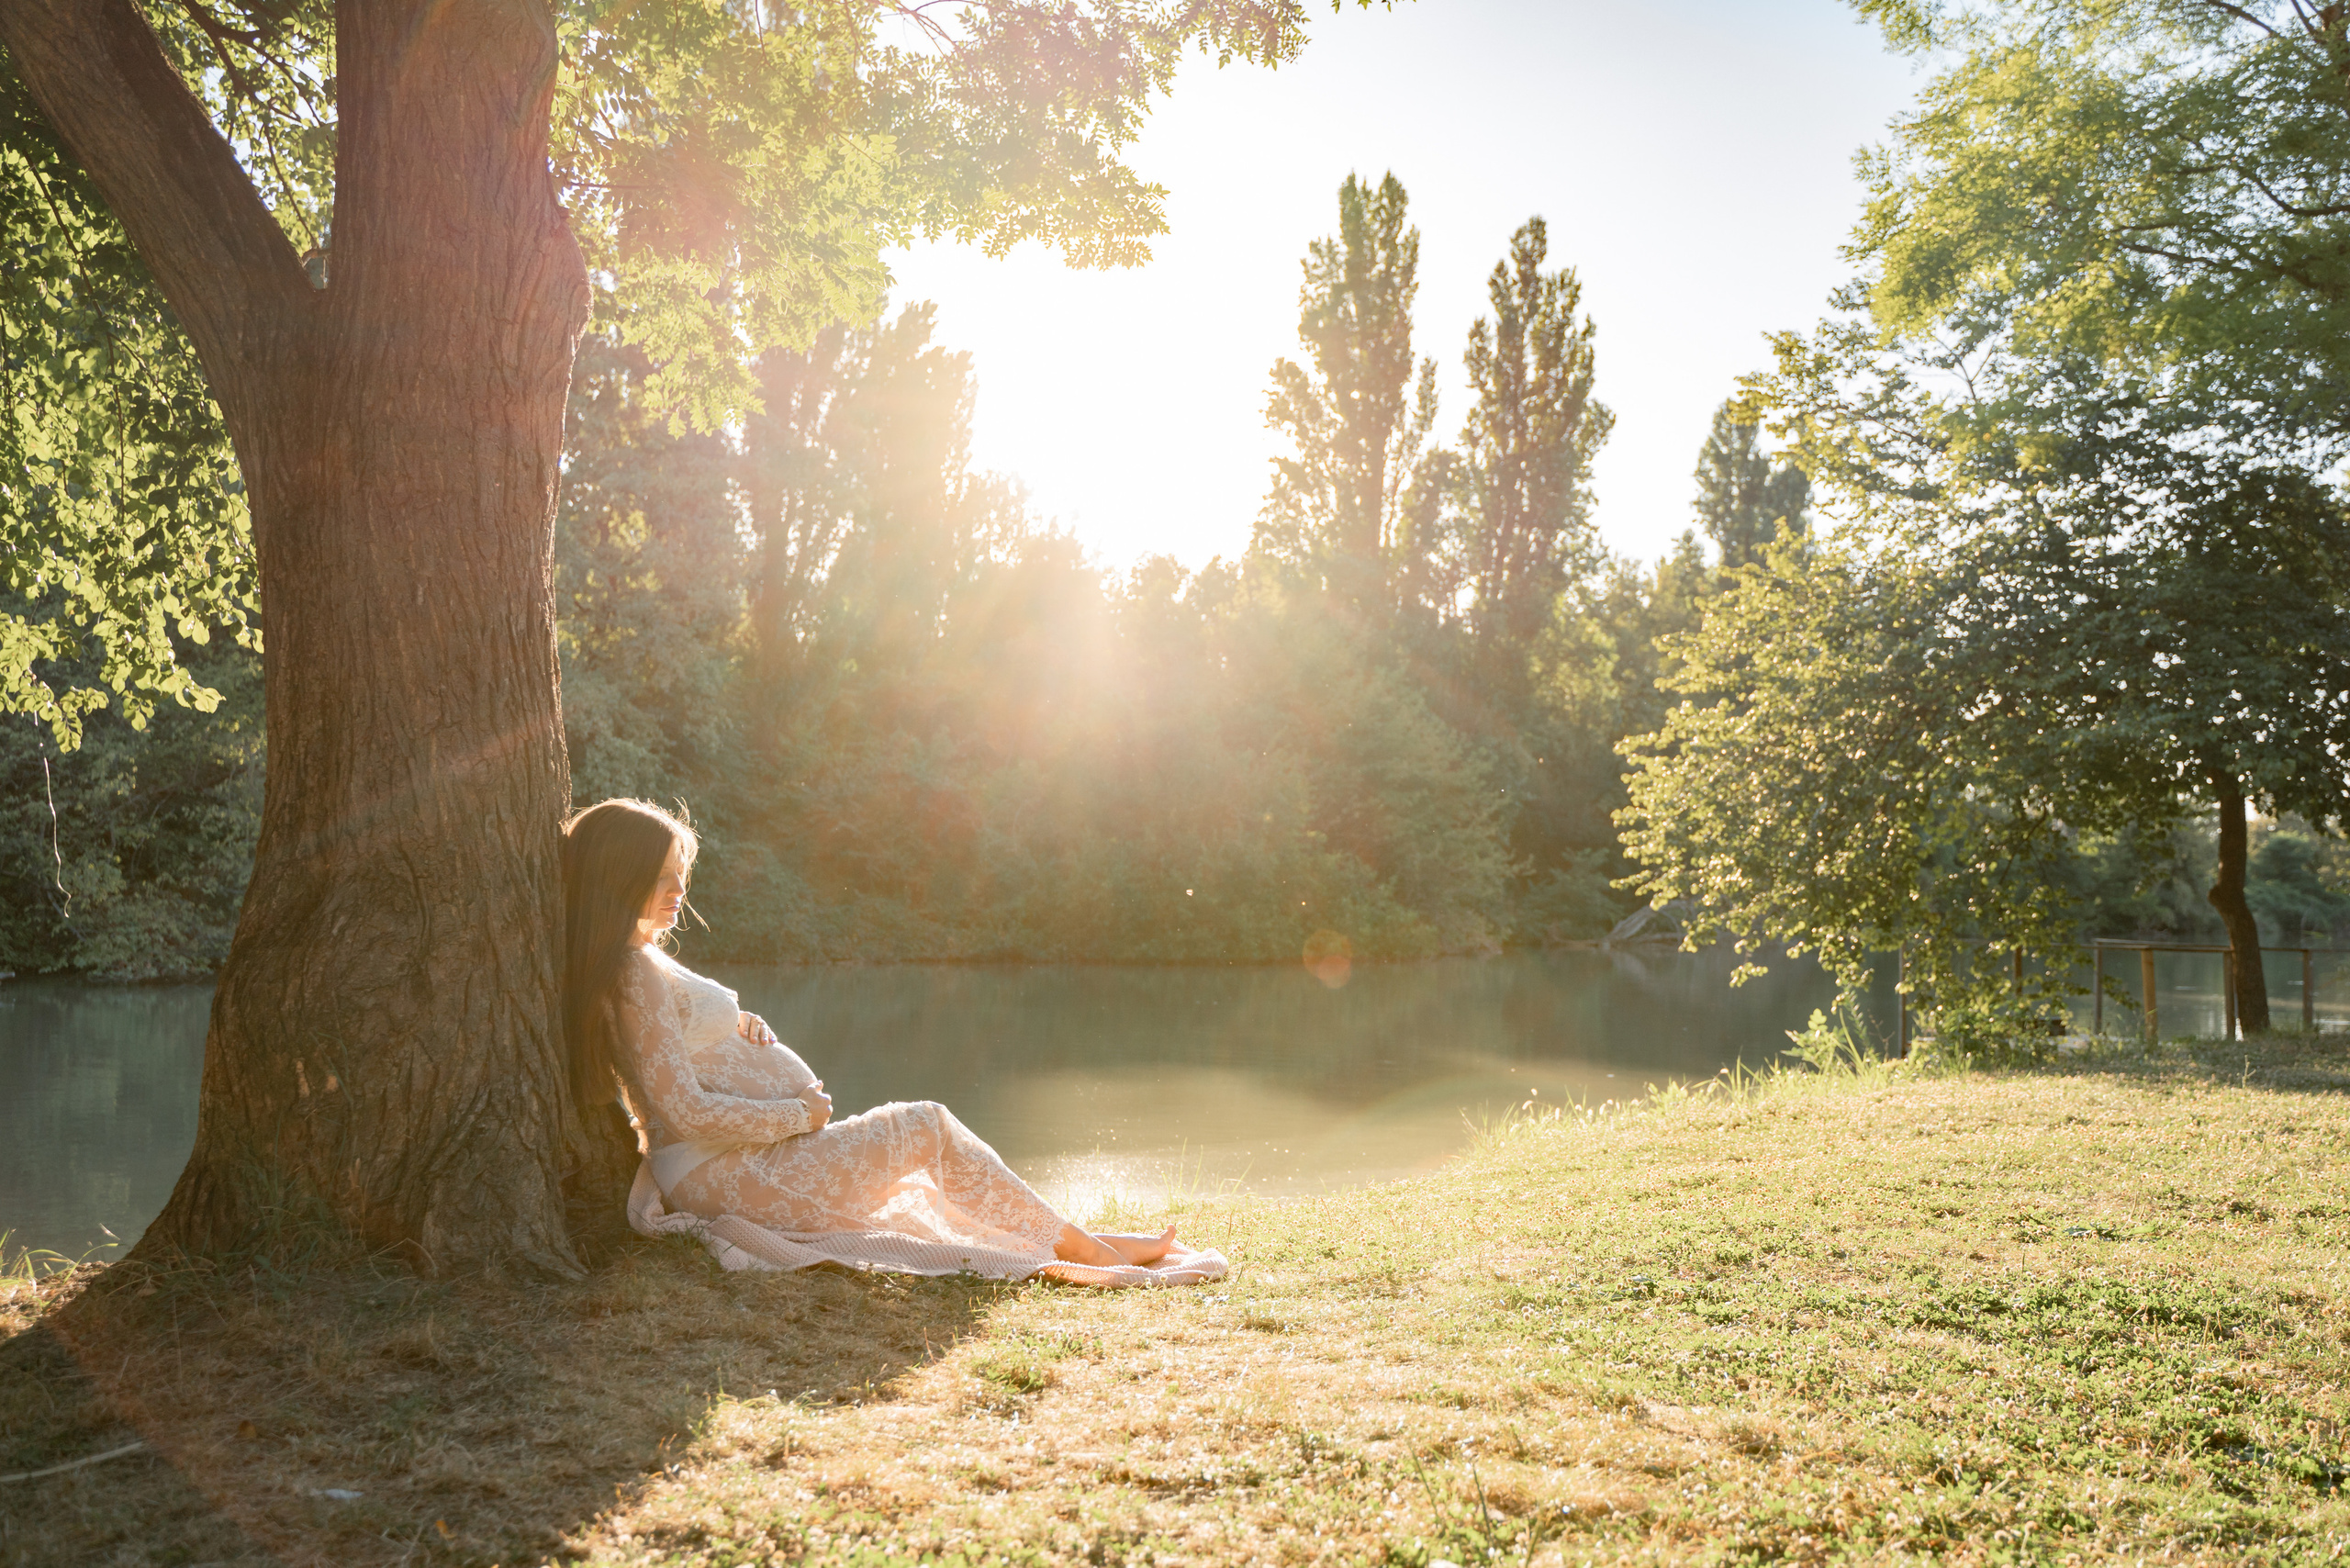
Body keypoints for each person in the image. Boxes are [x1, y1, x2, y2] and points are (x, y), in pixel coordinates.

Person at [561, 797, 1212, 1282]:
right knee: (922, 1127)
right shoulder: (628, 968)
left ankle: (1081, 1238)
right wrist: (798, 1112)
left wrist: (735, 1023)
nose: (681, 890)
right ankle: (1089, 1252)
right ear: (621, 875)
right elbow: (682, 1110)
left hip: (737, 1162)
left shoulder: (641, 958)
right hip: (722, 1171)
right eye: (663, 875)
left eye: (682, 872)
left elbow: (681, 1042)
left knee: (922, 1179)